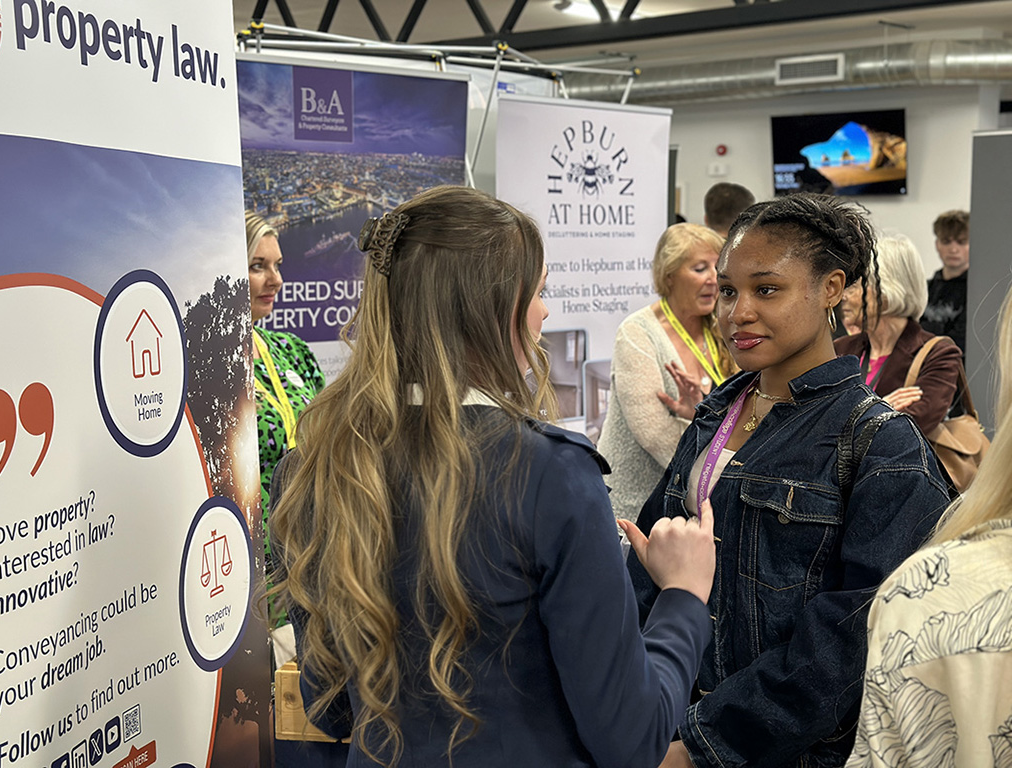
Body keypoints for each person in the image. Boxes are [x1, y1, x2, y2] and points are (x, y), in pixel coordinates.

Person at [267, 186, 716, 768]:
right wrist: (683, 597)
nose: (545, 312)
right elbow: (632, 740)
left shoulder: (312, 469)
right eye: (539, 291)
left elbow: (332, 708)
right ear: (494, 305)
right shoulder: (550, 473)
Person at [624, 193, 953, 768]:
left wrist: (701, 748)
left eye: (766, 289)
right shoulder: (716, 414)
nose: (737, 312)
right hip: (661, 725)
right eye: (728, 290)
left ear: (832, 288)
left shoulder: (882, 447)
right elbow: (647, 569)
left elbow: (846, 647)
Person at [846, 284, 1012, 767]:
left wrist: (868, 415)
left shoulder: (923, 597)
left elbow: (924, 413)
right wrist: (881, 410)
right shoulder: (846, 350)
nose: (850, 293)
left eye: (862, 282)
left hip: (913, 509)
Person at [598, 223, 734, 524]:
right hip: (635, 508)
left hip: (697, 506)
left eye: (718, 267)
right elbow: (654, 433)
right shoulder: (637, 333)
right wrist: (727, 476)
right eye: (700, 269)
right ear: (669, 276)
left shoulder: (722, 326)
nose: (714, 279)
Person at [246, 211, 325, 595]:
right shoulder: (207, 370)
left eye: (276, 265)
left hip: (318, 556)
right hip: (254, 571)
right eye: (258, 266)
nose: (276, 280)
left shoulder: (291, 352)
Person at [835, 233, 961, 436]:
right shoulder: (840, 349)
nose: (844, 296)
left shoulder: (938, 354)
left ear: (885, 289)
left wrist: (847, 418)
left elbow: (908, 430)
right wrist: (879, 408)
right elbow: (814, 421)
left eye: (855, 285)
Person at [920, 210, 970, 356]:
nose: (953, 249)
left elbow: (960, 342)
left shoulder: (976, 291)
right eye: (946, 241)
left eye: (961, 242)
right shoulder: (924, 288)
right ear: (937, 245)